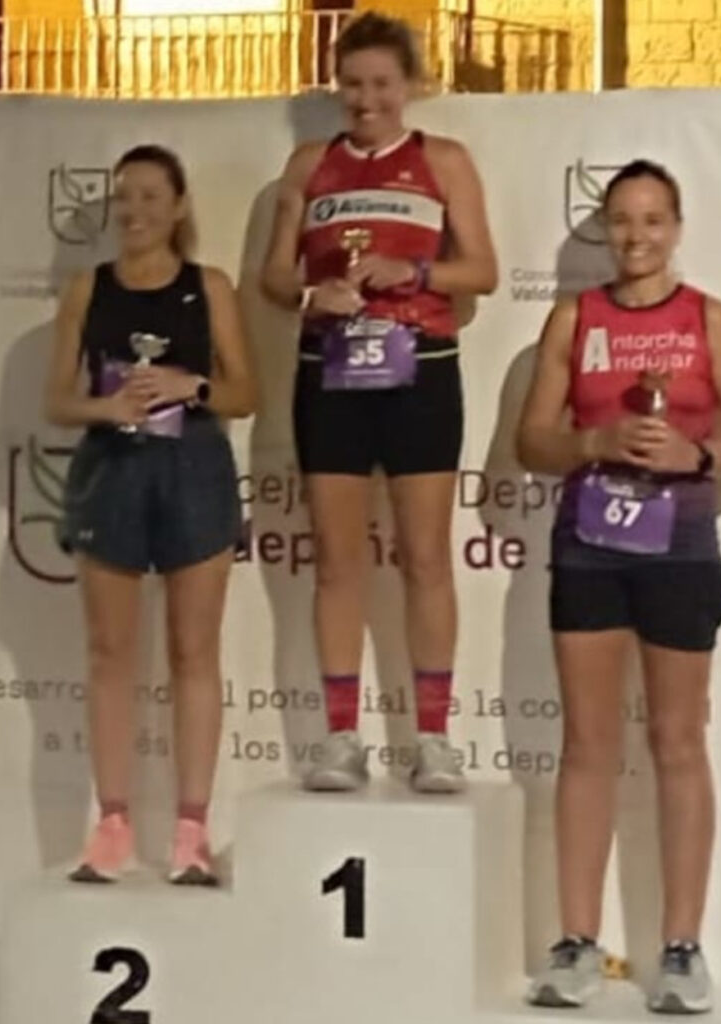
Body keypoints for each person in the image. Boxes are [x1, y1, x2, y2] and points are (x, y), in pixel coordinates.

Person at [517, 160, 721, 1013]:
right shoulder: (573, 317)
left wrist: (696, 454)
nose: (637, 236)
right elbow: (532, 441)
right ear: (605, 228)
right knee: (588, 744)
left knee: (677, 741)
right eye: (623, 220)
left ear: (676, 228)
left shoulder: (707, 317)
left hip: (680, 549)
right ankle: (577, 944)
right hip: (589, 546)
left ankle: (681, 948)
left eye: (653, 220)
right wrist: (594, 443)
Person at [261, 11, 497, 793]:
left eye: (382, 85)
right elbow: (273, 277)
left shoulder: (443, 160)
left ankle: (433, 739)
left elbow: (483, 270)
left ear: (411, 86)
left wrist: (415, 274)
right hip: (331, 372)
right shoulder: (310, 164)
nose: (366, 100)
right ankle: (339, 739)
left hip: (419, 369)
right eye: (353, 85)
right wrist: (313, 291)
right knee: (337, 562)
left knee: (426, 557)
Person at [44, 144, 255, 885]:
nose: (134, 211)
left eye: (149, 197)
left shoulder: (210, 286)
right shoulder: (88, 288)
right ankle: (112, 825)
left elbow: (245, 394)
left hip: (194, 468)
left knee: (194, 652)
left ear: (178, 206)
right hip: (112, 470)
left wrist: (189, 385)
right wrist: (108, 407)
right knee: (110, 653)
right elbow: (57, 400)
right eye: (124, 197)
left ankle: (191, 832)